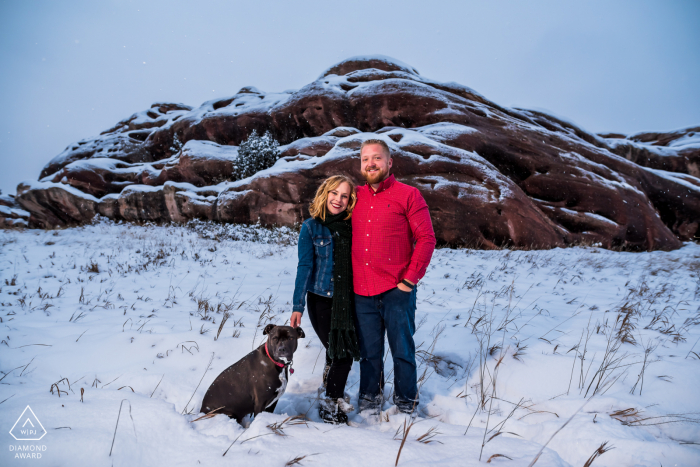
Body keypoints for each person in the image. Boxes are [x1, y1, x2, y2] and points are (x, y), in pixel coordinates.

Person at [352, 138, 436, 415]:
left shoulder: (409, 195)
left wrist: (408, 281)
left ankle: (405, 402)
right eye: (365, 159)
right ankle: (369, 399)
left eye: (376, 158)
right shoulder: (355, 196)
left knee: (402, 351)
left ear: (390, 162)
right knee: (369, 354)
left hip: (396, 289)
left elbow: (426, 238)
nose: (371, 163)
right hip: (362, 290)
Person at [290, 175, 361, 424]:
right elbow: (305, 266)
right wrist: (297, 305)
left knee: (338, 352)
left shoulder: (354, 225)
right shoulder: (311, 227)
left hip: (348, 299)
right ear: (324, 193)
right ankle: (332, 401)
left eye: (344, 196)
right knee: (340, 352)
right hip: (320, 299)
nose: (338, 200)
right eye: (334, 193)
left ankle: (330, 394)